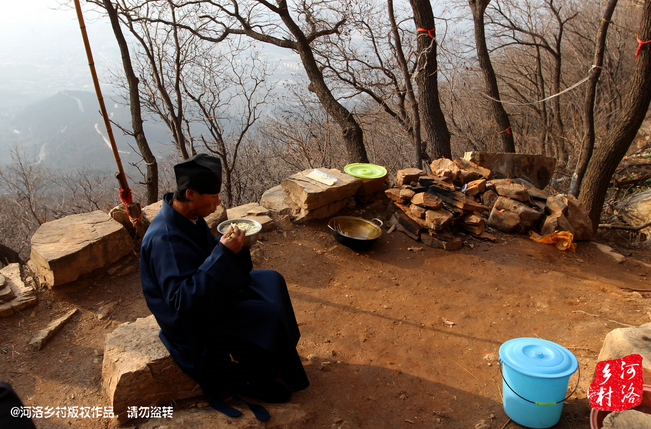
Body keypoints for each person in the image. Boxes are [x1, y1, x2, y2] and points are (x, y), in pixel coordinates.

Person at [140, 153, 309, 420]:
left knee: (271, 280)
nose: (218, 202)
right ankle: (252, 377)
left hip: (206, 289)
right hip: (190, 319)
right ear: (192, 194)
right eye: (214, 196)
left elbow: (208, 258)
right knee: (265, 314)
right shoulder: (166, 239)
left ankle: (274, 358)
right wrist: (222, 253)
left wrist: (234, 249)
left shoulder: (188, 217)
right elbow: (182, 302)